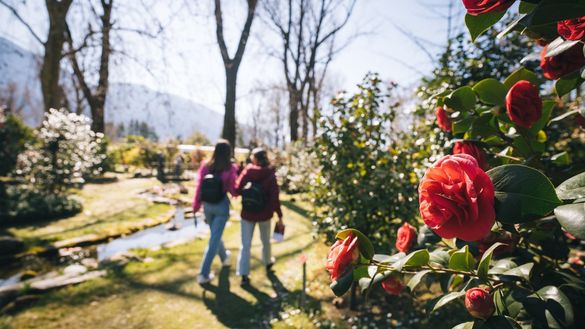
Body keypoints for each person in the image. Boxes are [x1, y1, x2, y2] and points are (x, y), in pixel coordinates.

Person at [235, 147, 283, 286]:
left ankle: (244, 274)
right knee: (265, 241)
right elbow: (275, 199)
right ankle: (268, 262)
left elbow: (237, 189)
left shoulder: (248, 171)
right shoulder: (270, 174)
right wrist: (279, 216)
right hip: (264, 214)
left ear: (255, 159)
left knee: (245, 245)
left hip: (247, 214)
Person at [193, 139, 238, 284]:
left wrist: (196, 205)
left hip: (207, 206)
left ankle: (224, 258)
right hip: (221, 206)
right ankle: (203, 274)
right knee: (214, 239)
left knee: (215, 235)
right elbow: (233, 189)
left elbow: (199, 186)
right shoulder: (230, 168)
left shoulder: (206, 166)